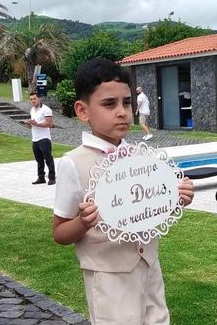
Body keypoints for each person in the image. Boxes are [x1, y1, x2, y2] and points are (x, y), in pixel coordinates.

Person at [52, 58, 194, 324]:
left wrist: (177, 198)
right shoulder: (74, 163)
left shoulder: (141, 159)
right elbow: (59, 233)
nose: (122, 112)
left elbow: (150, 208)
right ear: (83, 111)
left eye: (127, 103)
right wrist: (83, 222)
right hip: (109, 280)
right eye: (109, 104)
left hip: (150, 270)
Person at [28, 91, 55, 185]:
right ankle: (41, 177)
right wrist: (30, 124)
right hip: (35, 138)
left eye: (34, 99)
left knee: (48, 158)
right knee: (38, 159)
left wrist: (38, 124)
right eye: (31, 99)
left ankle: (52, 177)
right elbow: (34, 124)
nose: (33, 101)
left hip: (44, 138)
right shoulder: (32, 110)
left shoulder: (46, 109)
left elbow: (50, 123)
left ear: (39, 98)